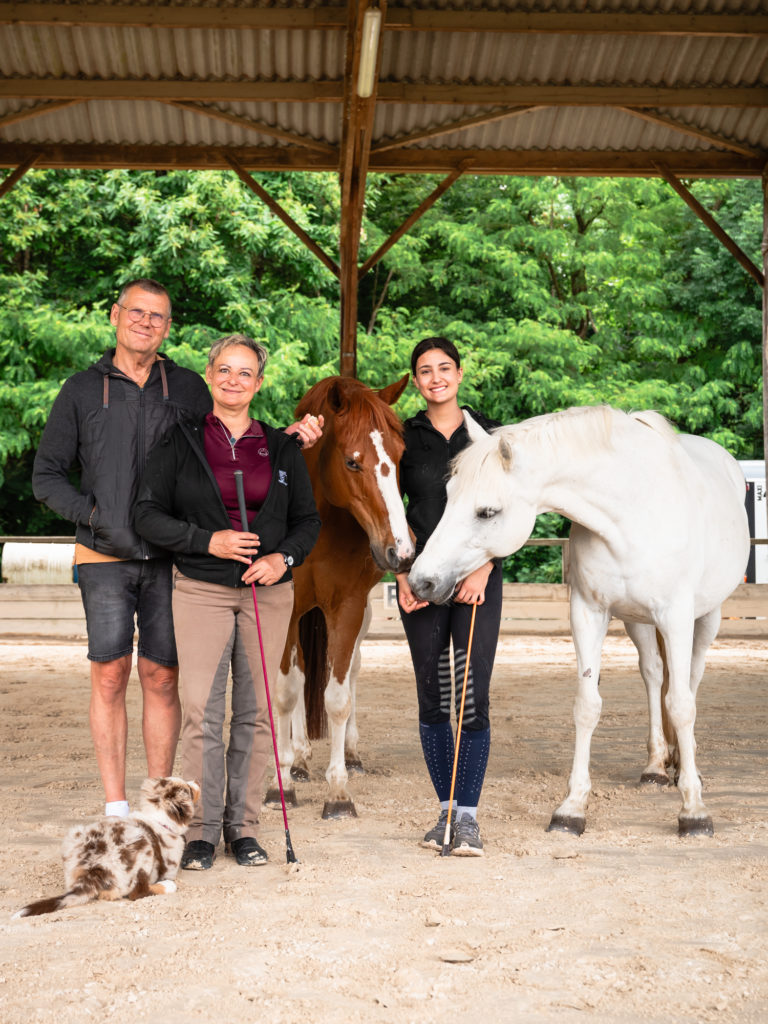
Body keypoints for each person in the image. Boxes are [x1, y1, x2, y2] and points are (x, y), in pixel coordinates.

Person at [32, 280, 322, 819]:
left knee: (163, 676)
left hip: (175, 559)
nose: (145, 322)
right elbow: (46, 477)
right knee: (111, 672)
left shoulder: (187, 386)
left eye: (157, 316)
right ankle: (117, 805)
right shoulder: (78, 389)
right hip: (105, 554)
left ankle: (160, 803)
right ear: (115, 315)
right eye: (136, 312)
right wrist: (96, 516)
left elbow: (233, 435)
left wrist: (287, 440)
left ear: (168, 327)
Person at [134, 335, 321, 869]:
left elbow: (308, 521)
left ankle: (244, 828)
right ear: (210, 374)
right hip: (201, 590)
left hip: (268, 593)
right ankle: (199, 831)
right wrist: (206, 540)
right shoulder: (181, 439)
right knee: (199, 712)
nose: (234, 380)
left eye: (245, 373)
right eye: (225, 370)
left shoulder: (282, 447)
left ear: (258, 384)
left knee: (257, 713)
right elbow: (148, 514)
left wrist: (283, 557)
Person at [395, 337, 503, 857]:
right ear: (416, 381)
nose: (435, 377)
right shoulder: (401, 436)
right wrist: (399, 574)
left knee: (471, 696)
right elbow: (388, 509)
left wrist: (486, 564)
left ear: (459, 373)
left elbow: (511, 508)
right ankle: (444, 810)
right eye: (424, 370)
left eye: (443, 368)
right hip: (420, 578)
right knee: (433, 696)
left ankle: (468, 819)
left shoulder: (489, 435)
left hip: (475, 577)